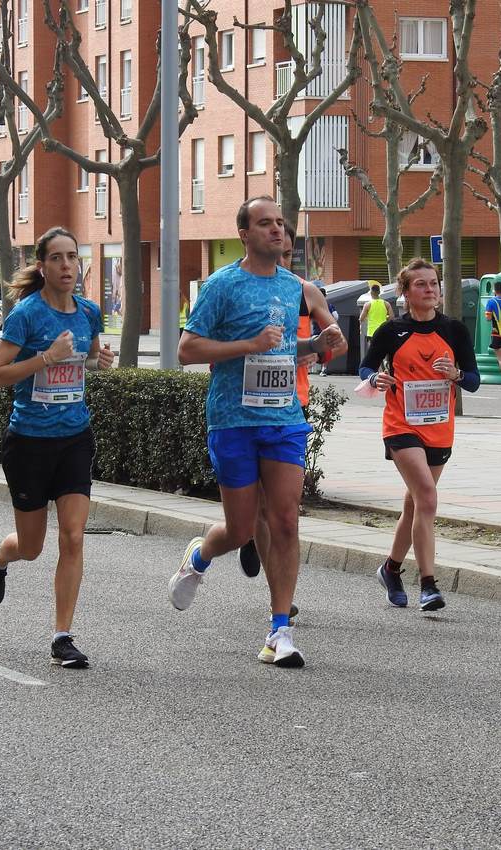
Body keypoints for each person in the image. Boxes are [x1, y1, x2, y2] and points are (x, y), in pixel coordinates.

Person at [170, 196, 343, 668]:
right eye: (265, 224)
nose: (277, 231)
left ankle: (279, 631)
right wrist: (249, 344)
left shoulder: (294, 287)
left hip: (283, 418)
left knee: (286, 520)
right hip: (233, 419)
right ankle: (201, 554)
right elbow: (187, 349)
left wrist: (316, 344)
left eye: (281, 224)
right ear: (244, 234)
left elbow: (285, 348)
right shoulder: (222, 285)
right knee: (242, 528)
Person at [0, 226, 115, 669]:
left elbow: (89, 361)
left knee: (73, 535)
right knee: (33, 546)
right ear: (42, 266)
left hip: (74, 438)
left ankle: (62, 636)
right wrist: (45, 359)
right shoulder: (27, 315)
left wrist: (101, 362)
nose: (66, 266)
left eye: (72, 258)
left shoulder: (89, 313)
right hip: (29, 443)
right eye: (56, 258)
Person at [359, 258, 480, 612]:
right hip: (402, 426)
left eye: (434, 283)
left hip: (439, 429)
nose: (431, 289)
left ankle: (390, 569)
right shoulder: (392, 331)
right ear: (406, 292)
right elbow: (366, 366)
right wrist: (373, 378)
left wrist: (456, 373)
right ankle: (429, 584)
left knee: (414, 505)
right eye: (422, 285)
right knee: (427, 497)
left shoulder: (454, 330)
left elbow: (473, 381)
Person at [237, 220, 347, 593]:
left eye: (286, 253)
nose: (280, 259)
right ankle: (248, 531)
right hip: (246, 406)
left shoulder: (304, 291)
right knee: (261, 505)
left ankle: (277, 595)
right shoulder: (239, 289)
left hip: (291, 403)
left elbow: (337, 342)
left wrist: (321, 345)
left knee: (280, 512)